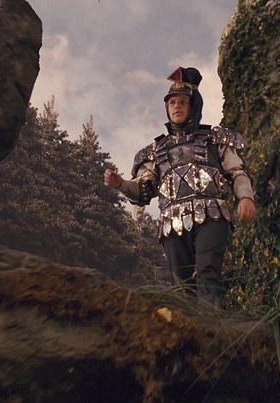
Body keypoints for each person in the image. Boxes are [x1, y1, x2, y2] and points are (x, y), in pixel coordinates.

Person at [104, 66, 256, 307]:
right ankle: (189, 327)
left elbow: (237, 172)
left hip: (212, 214)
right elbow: (143, 191)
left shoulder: (215, 139)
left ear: (193, 105)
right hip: (171, 223)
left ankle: (212, 324)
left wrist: (246, 197)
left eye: (183, 102)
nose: (177, 107)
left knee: (208, 272)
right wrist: (120, 184)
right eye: (172, 102)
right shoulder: (155, 151)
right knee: (182, 287)